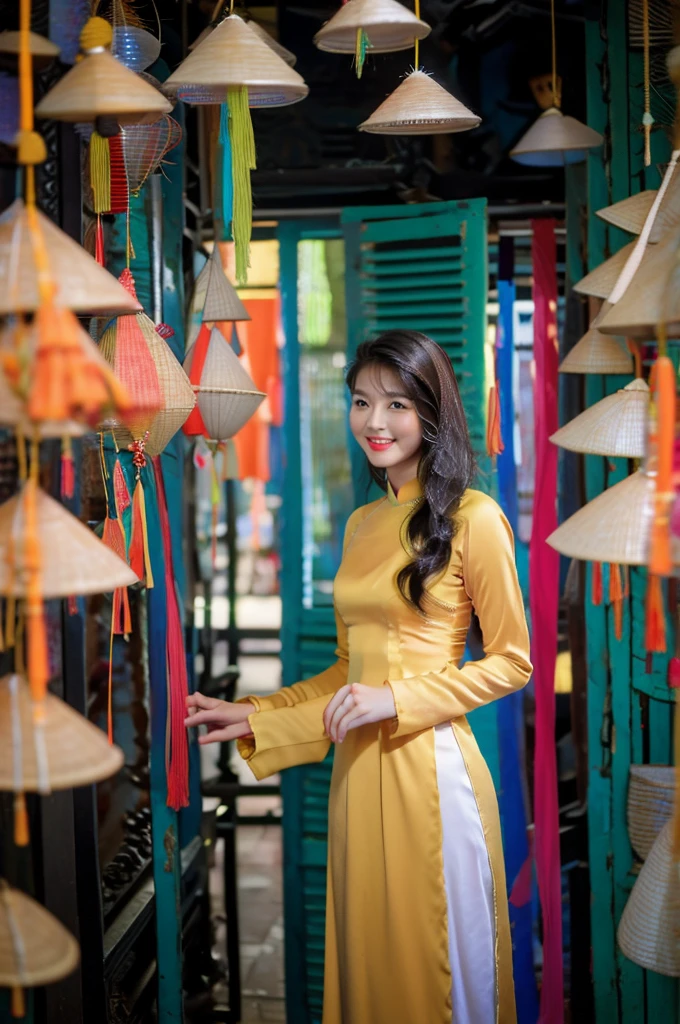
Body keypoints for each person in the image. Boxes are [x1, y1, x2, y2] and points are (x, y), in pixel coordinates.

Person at [186, 330, 532, 1024]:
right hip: (357, 773)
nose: (375, 421)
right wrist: (254, 714)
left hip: (429, 772)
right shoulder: (361, 524)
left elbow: (512, 661)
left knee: (431, 969)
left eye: (396, 403)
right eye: (361, 402)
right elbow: (350, 671)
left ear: (431, 412)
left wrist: (396, 698)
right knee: (369, 964)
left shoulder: (475, 518)